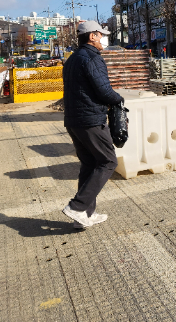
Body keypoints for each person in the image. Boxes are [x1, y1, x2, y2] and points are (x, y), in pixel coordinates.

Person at [61, 21, 124, 229]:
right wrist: (119, 99)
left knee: (89, 165)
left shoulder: (72, 60)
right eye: (101, 35)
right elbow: (104, 91)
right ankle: (77, 207)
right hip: (90, 121)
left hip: (74, 121)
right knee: (108, 161)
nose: (104, 39)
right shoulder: (92, 58)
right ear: (92, 37)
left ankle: (85, 215)